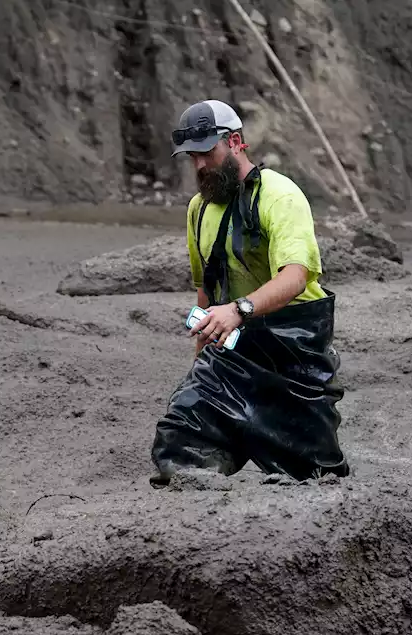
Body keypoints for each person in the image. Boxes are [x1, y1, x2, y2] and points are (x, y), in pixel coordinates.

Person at [149, 99, 351, 485]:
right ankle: (204, 511)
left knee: (317, 473)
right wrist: (200, 360)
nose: (200, 165)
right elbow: (205, 290)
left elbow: (295, 277)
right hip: (232, 347)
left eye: (208, 152)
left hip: (294, 353)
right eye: (192, 157)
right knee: (180, 434)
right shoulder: (198, 210)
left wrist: (238, 309)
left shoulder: (281, 196)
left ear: (236, 142)